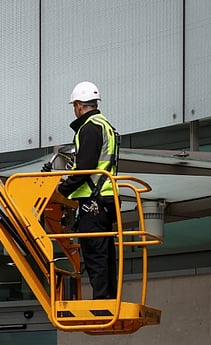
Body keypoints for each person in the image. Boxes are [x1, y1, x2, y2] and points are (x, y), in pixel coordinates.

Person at [57, 81, 121, 299]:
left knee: (95, 252)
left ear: (78, 105)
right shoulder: (106, 126)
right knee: (105, 252)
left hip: (92, 200)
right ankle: (109, 297)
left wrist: (62, 190)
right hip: (105, 199)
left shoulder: (90, 128)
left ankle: (102, 301)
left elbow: (84, 168)